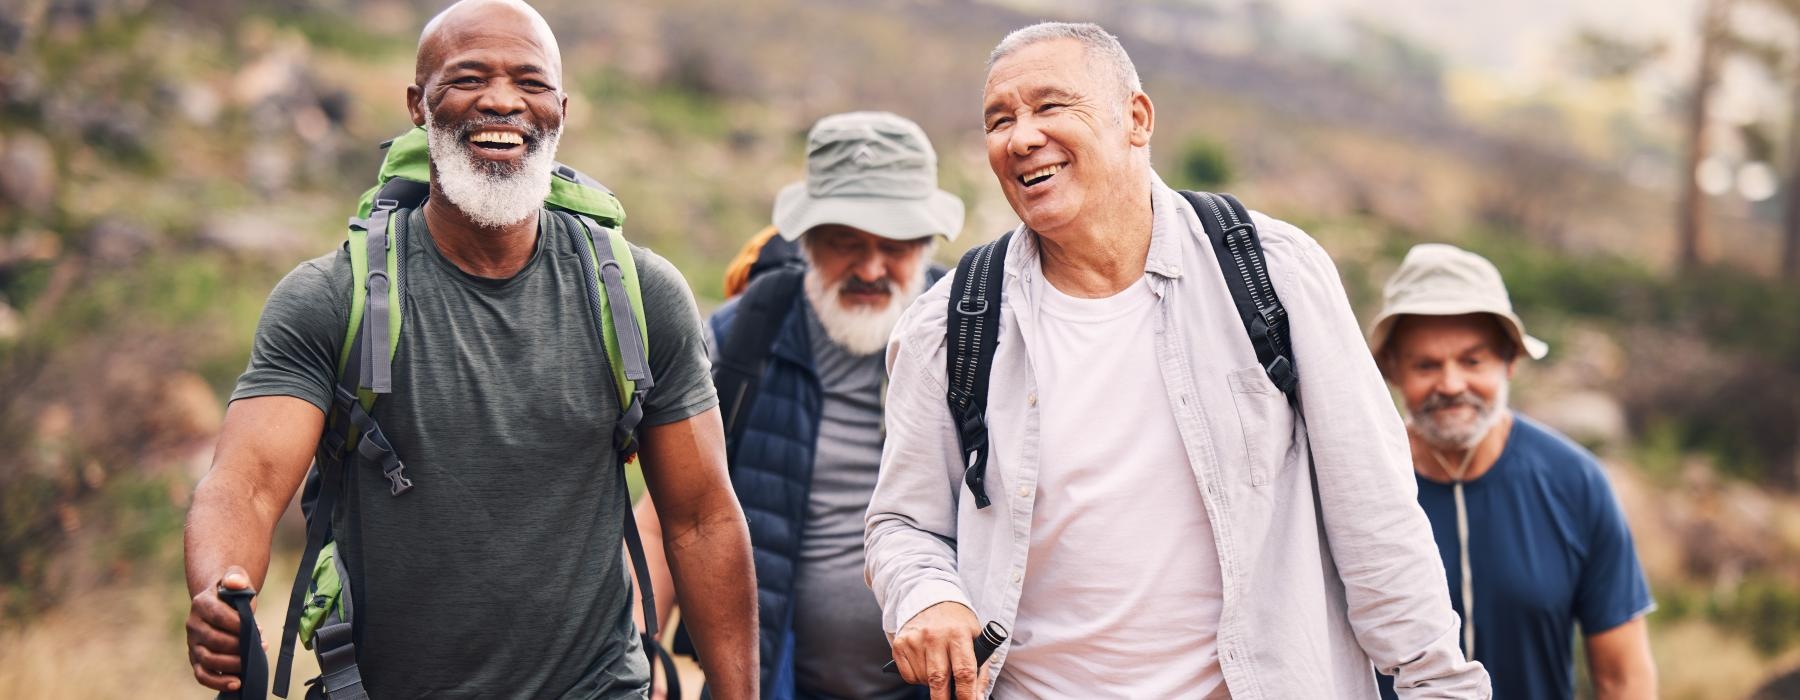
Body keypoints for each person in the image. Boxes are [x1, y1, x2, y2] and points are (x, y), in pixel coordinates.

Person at [865, 21, 1491, 699]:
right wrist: (926, 595)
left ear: (1136, 118)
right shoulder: (950, 323)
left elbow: (1376, 518)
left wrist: (1439, 684)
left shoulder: (1270, 274)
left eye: (1049, 107)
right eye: (999, 119)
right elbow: (901, 523)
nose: (1020, 138)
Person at [181, 1, 757, 697]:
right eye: (467, 78)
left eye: (531, 82)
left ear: (562, 109)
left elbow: (701, 518)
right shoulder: (331, 299)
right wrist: (220, 588)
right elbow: (243, 486)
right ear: (418, 106)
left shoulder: (640, 297)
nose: (501, 100)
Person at [635, 111, 962, 700]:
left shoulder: (968, 341)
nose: (869, 268)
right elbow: (665, 522)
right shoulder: (744, 338)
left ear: (926, 243)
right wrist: (636, 658)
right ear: (807, 241)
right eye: (845, 244)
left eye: (893, 248)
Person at [1369, 243, 1657, 699]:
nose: (1451, 384)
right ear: (1392, 370)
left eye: (1472, 360)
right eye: (1426, 365)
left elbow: (1623, 678)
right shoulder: (1359, 486)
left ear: (1511, 360)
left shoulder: (1575, 482)